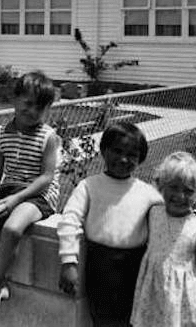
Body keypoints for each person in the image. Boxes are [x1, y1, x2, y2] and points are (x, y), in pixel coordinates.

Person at [0, 71, 60, 317]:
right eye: (27, 104)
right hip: (9, 188)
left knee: (12, 228)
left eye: (40, 107)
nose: (32, 111)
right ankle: (0, 285)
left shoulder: (47, 136)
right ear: (14, 100)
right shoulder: (3, 132)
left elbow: (47, 177)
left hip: (39, 195)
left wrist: (17, 199)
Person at [57, 121, 163, 327]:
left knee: (135, 320)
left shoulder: (148, 194)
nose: (123, 159)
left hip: (136, 266)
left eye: (132, 154)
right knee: (104, 320)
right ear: (104, 151)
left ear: (140, 158)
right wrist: (69, 261)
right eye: (117, 151)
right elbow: (69, 220)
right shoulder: (89, 186)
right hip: (101, 266)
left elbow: (172, 222)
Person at [130, 152, 196, 327]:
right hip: (151, 299)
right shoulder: (152, 213)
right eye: (174, 187)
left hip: (180, 307)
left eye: (188, 191)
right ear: (162, 185)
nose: (180, 195)